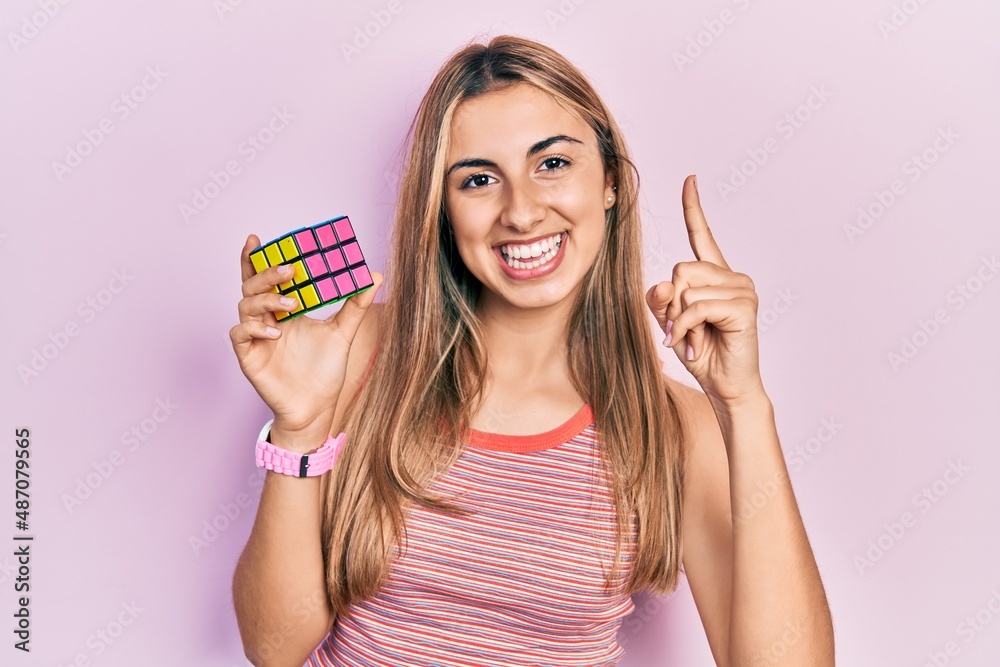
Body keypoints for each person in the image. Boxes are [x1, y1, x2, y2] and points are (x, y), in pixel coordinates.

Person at [230, 33, 835, 667]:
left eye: (552, 163)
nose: (521, 212)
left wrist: (743, 404)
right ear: (443, 212)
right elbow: (273, 649)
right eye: (479, 179)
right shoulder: (358, 354)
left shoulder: (672, 427)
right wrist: (297, 431)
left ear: (608, 183)